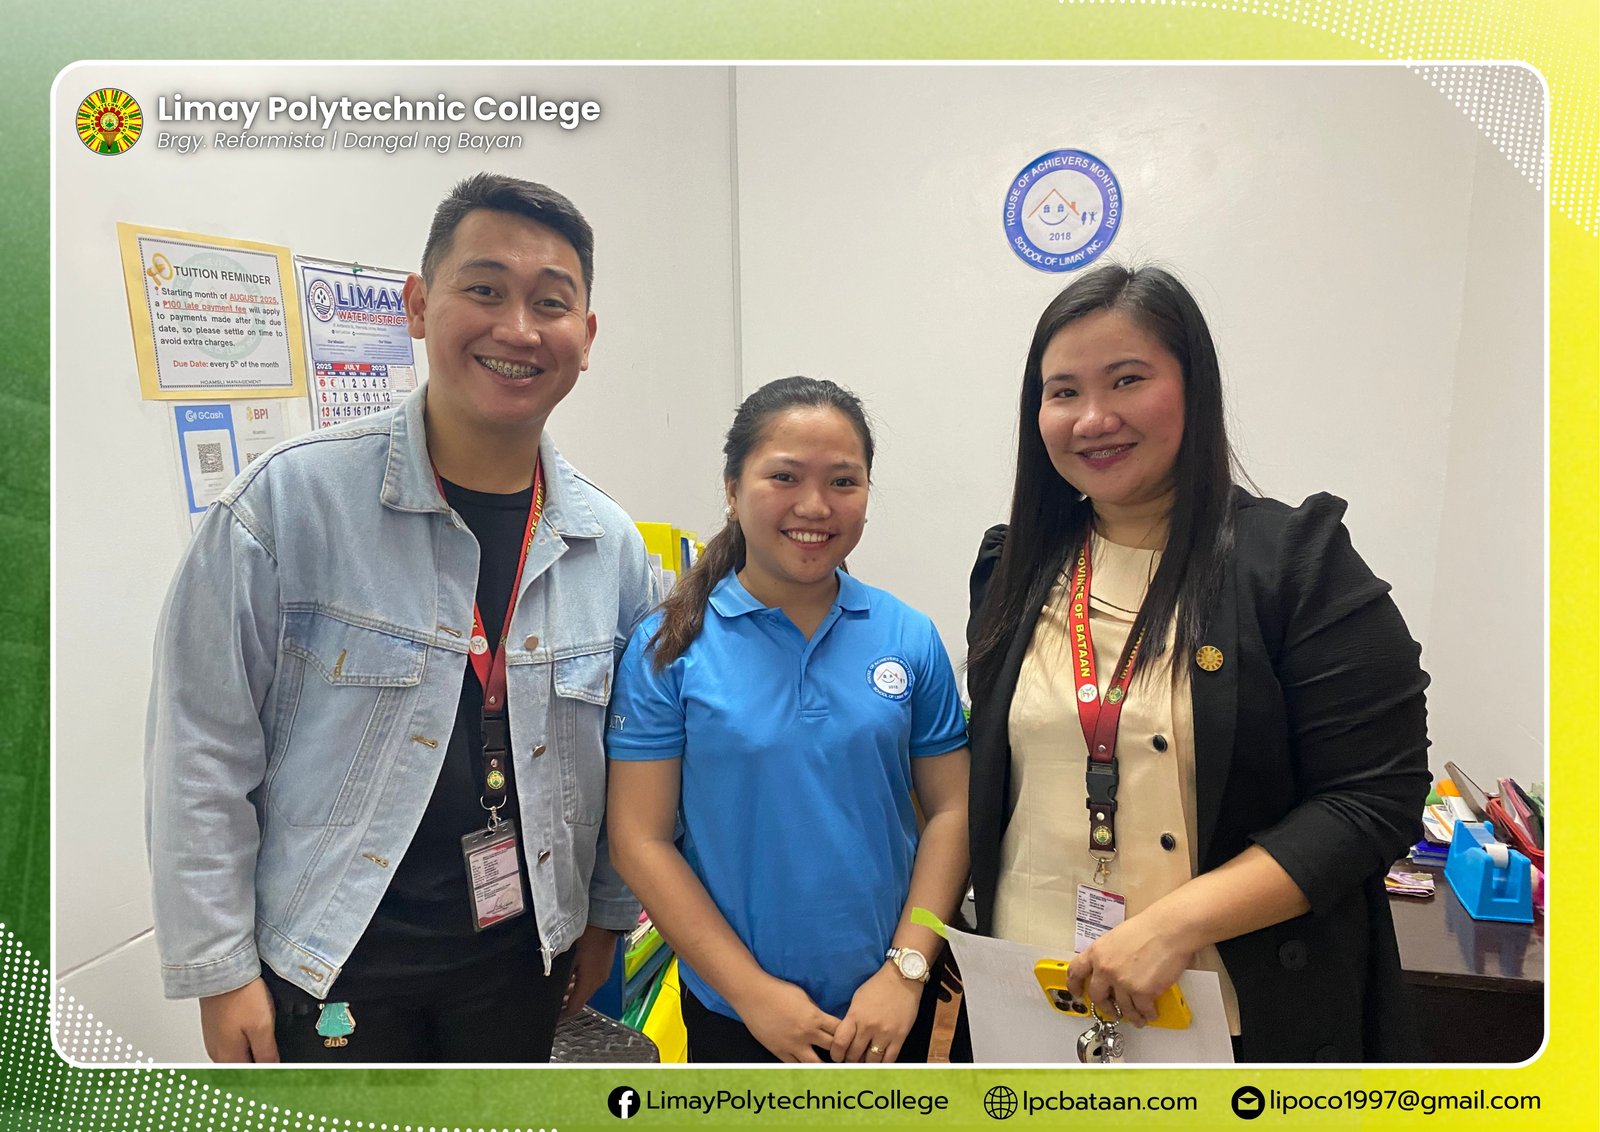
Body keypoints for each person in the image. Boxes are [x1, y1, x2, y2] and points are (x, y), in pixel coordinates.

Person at [145, 173, 655, 1063]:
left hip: (519, 958)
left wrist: (607, 915)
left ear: (586, 337)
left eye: (551, 302)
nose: (518, 329)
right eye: (484, 289)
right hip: (331, 960)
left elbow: (629, 759)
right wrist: (219, 969)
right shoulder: (287, 506)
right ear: (418, 305)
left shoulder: (607, 546)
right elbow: (200, 748)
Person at [965, 264, 1430, 1062]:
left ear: (1194, 387)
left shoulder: (1297, 563)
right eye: (1064, 391)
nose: (1094, 418)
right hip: (1033, 997)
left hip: (1234, 1015)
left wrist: (1175, 925)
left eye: (1128, 380)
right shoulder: (1013, 567)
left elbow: (1374, 798)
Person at [605, 377, 971, 1063]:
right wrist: (752, 995)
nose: (815, 506)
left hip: (887, 1010)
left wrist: (907, 970)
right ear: (732, 488)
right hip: (736, 1010)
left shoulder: (908, 635)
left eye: (843, 481)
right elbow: (639, 840)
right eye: (785, 477)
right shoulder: (670, 647)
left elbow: (953, 812)